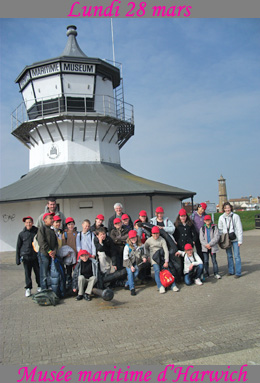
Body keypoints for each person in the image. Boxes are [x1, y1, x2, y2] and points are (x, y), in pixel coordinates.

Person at [145, 226, 179, 294]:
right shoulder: (149, 240)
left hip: (161, 257)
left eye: (157, 233)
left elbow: (166, 250)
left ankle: (173, 285)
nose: (155, 235)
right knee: (157, 271)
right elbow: (145, 248)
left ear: (159, 233)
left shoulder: (162, 240)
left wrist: (166, 261)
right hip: (154, 258)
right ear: (151, 234)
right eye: (154, 233)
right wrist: (148, 256)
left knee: (167, 270)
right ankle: (160, 286)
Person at [16, 216, 41, 297]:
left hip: (35, 256)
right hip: (26, 257)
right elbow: (18, 247)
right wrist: (17, 259)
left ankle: (40, 286)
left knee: (38, 272)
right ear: (25, 224)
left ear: (32, 223)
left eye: (30, 222)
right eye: (27, 222)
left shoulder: (37, 231)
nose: (28, 224)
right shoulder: (21, 234)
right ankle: (28, 288)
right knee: (27, 273)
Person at [218, 202, 243, 278]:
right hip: (226, 239)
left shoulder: (235, 216)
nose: (227, 209)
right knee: (229, 256)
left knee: (236, 256)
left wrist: (240, 240)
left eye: (228, 208)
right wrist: (222, 239)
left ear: (231, 208)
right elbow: (220, 229)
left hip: (235, 238)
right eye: (225, 208)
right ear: (223, 209)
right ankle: (231, 271)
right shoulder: (221, 217)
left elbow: (239, 228)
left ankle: (238, 272)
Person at [37, 212, 58, 290]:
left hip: (52, 255)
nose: (52, 220)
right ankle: (44, 288)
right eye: (50, 218)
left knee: (50, 272)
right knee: (44, 273)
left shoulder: (52, 230)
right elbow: (41, 241)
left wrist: (54, 251)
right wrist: (49, 251)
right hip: (44, 254)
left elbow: (56, 243)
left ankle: (49, 287)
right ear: (45, 220)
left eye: (52, 218)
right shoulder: (42, 229)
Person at [123, 230, 147, 296]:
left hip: (136, 262)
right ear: (129, 239)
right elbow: (125, 258)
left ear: (137, 237)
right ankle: (132, 288)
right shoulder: (127, 247)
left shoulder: (140, 245)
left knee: (136, 273)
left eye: (134, 237)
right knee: (130, 273)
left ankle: (127, 284)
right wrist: (131, 266)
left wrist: (144, 257)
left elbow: (143, 253)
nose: (133, 239)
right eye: (131, 238)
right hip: (128, 263)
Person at [199, 215, 221, 279]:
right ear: (204, 221)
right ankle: (206, 274)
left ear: (211, 220)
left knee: (214, 260)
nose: (207, 221)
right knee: (206, 261)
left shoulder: (214, 227)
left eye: (208, 220)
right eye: (206, 220)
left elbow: (216, 237)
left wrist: (210, 244)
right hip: (205, 247)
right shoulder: (202, 228)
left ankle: (216, 273)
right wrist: (206, 245)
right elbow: (201, 239)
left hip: (212, 247)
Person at [62, 217, 78, 288]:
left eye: (72, 224)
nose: (70, 226)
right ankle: (69, 284)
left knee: (76, 271)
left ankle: (75, 285)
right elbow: (63, 245)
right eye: (69, 225)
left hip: (76, 255)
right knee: (68, 271)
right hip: (68, 255)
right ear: (67, 226)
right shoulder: (65, 234)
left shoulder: (76, 233)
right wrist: (66, 254)